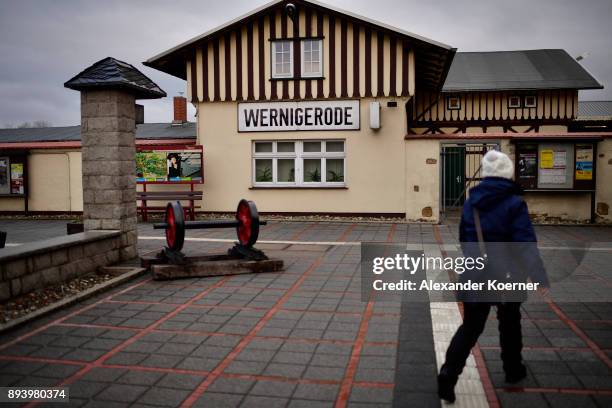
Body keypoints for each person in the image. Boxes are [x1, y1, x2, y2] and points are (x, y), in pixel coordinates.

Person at [438, 150, 550, 403]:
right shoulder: (514, 203)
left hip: (476, 273)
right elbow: (525, 243)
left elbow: (465, 239)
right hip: (509, 275)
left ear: (486, 174)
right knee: (510, 322)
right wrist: (539, 276)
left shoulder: (471, 203)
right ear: (507, 173)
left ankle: (448, 374)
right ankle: (513, 370)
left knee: (470, 328)